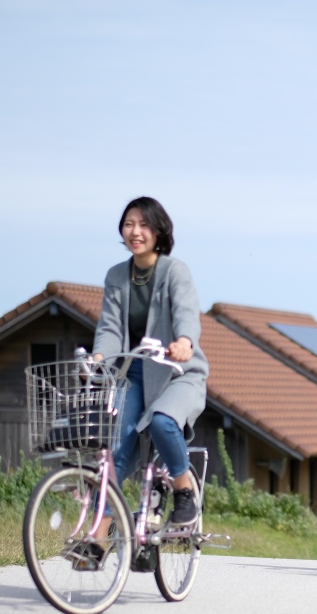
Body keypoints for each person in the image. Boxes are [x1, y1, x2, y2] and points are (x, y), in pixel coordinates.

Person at [81, 197, 208, 563]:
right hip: (133, 371)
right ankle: (98, 539)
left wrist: (184, 342)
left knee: (164, 422)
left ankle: (185, 490)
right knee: (115, 451)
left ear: (158, 231)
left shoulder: (174, 271)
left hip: (177, 370)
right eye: (128, 224)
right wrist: (99, 358)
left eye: (143, 225)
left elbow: (186, 313)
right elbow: (108, 328)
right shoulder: (116, 276)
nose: (135, 232)